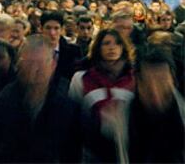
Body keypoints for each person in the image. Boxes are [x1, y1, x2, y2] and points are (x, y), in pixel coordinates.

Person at [0, 35, 81, 163]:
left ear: (53, 64)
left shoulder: (65, 103)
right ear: (19, 64)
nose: (35, 70)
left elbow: (72, 152)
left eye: (41, 63)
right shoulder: (3, 101)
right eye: (29, 63)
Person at [69, 28, 136, 162]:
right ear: (98, 47)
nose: (112, 47)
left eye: (117, 43)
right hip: (93, 151)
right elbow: (73, 117)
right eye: (106, 43)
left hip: (131, 150)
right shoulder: (83, 78)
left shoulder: (135, 79)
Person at [128, 48, 184, 163]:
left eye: (162, 83)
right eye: (148, 86)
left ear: (173, 80)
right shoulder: (119, 123)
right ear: (137, 82)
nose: (155, 95)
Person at [41, 11, 82, 84]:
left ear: (62, 29)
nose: (52, 33)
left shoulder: (73, 51)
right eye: (48, 28)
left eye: (56, 28)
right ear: (41, 29)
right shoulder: (33, 51)